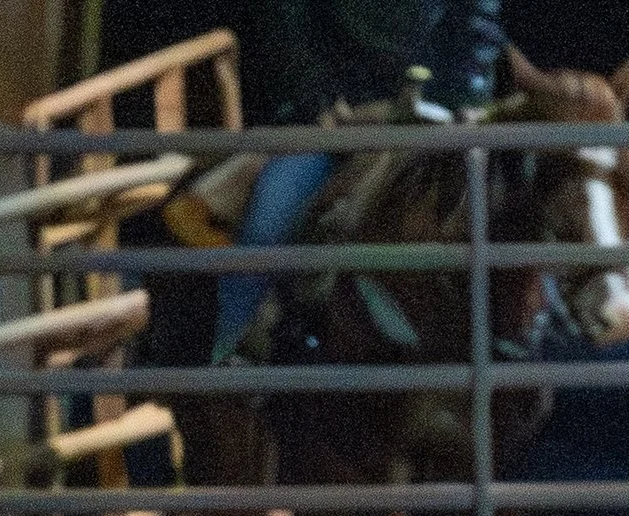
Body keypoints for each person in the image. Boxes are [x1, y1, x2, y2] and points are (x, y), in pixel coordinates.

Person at [212, 0, 509, 363]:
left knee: (507, 224)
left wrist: (460, 100)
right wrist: (318, 99)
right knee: (267, 225)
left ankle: (508, 360)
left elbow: (478, 27)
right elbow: (285, 21)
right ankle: (232, 357)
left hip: (436, 122)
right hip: (334, 121)